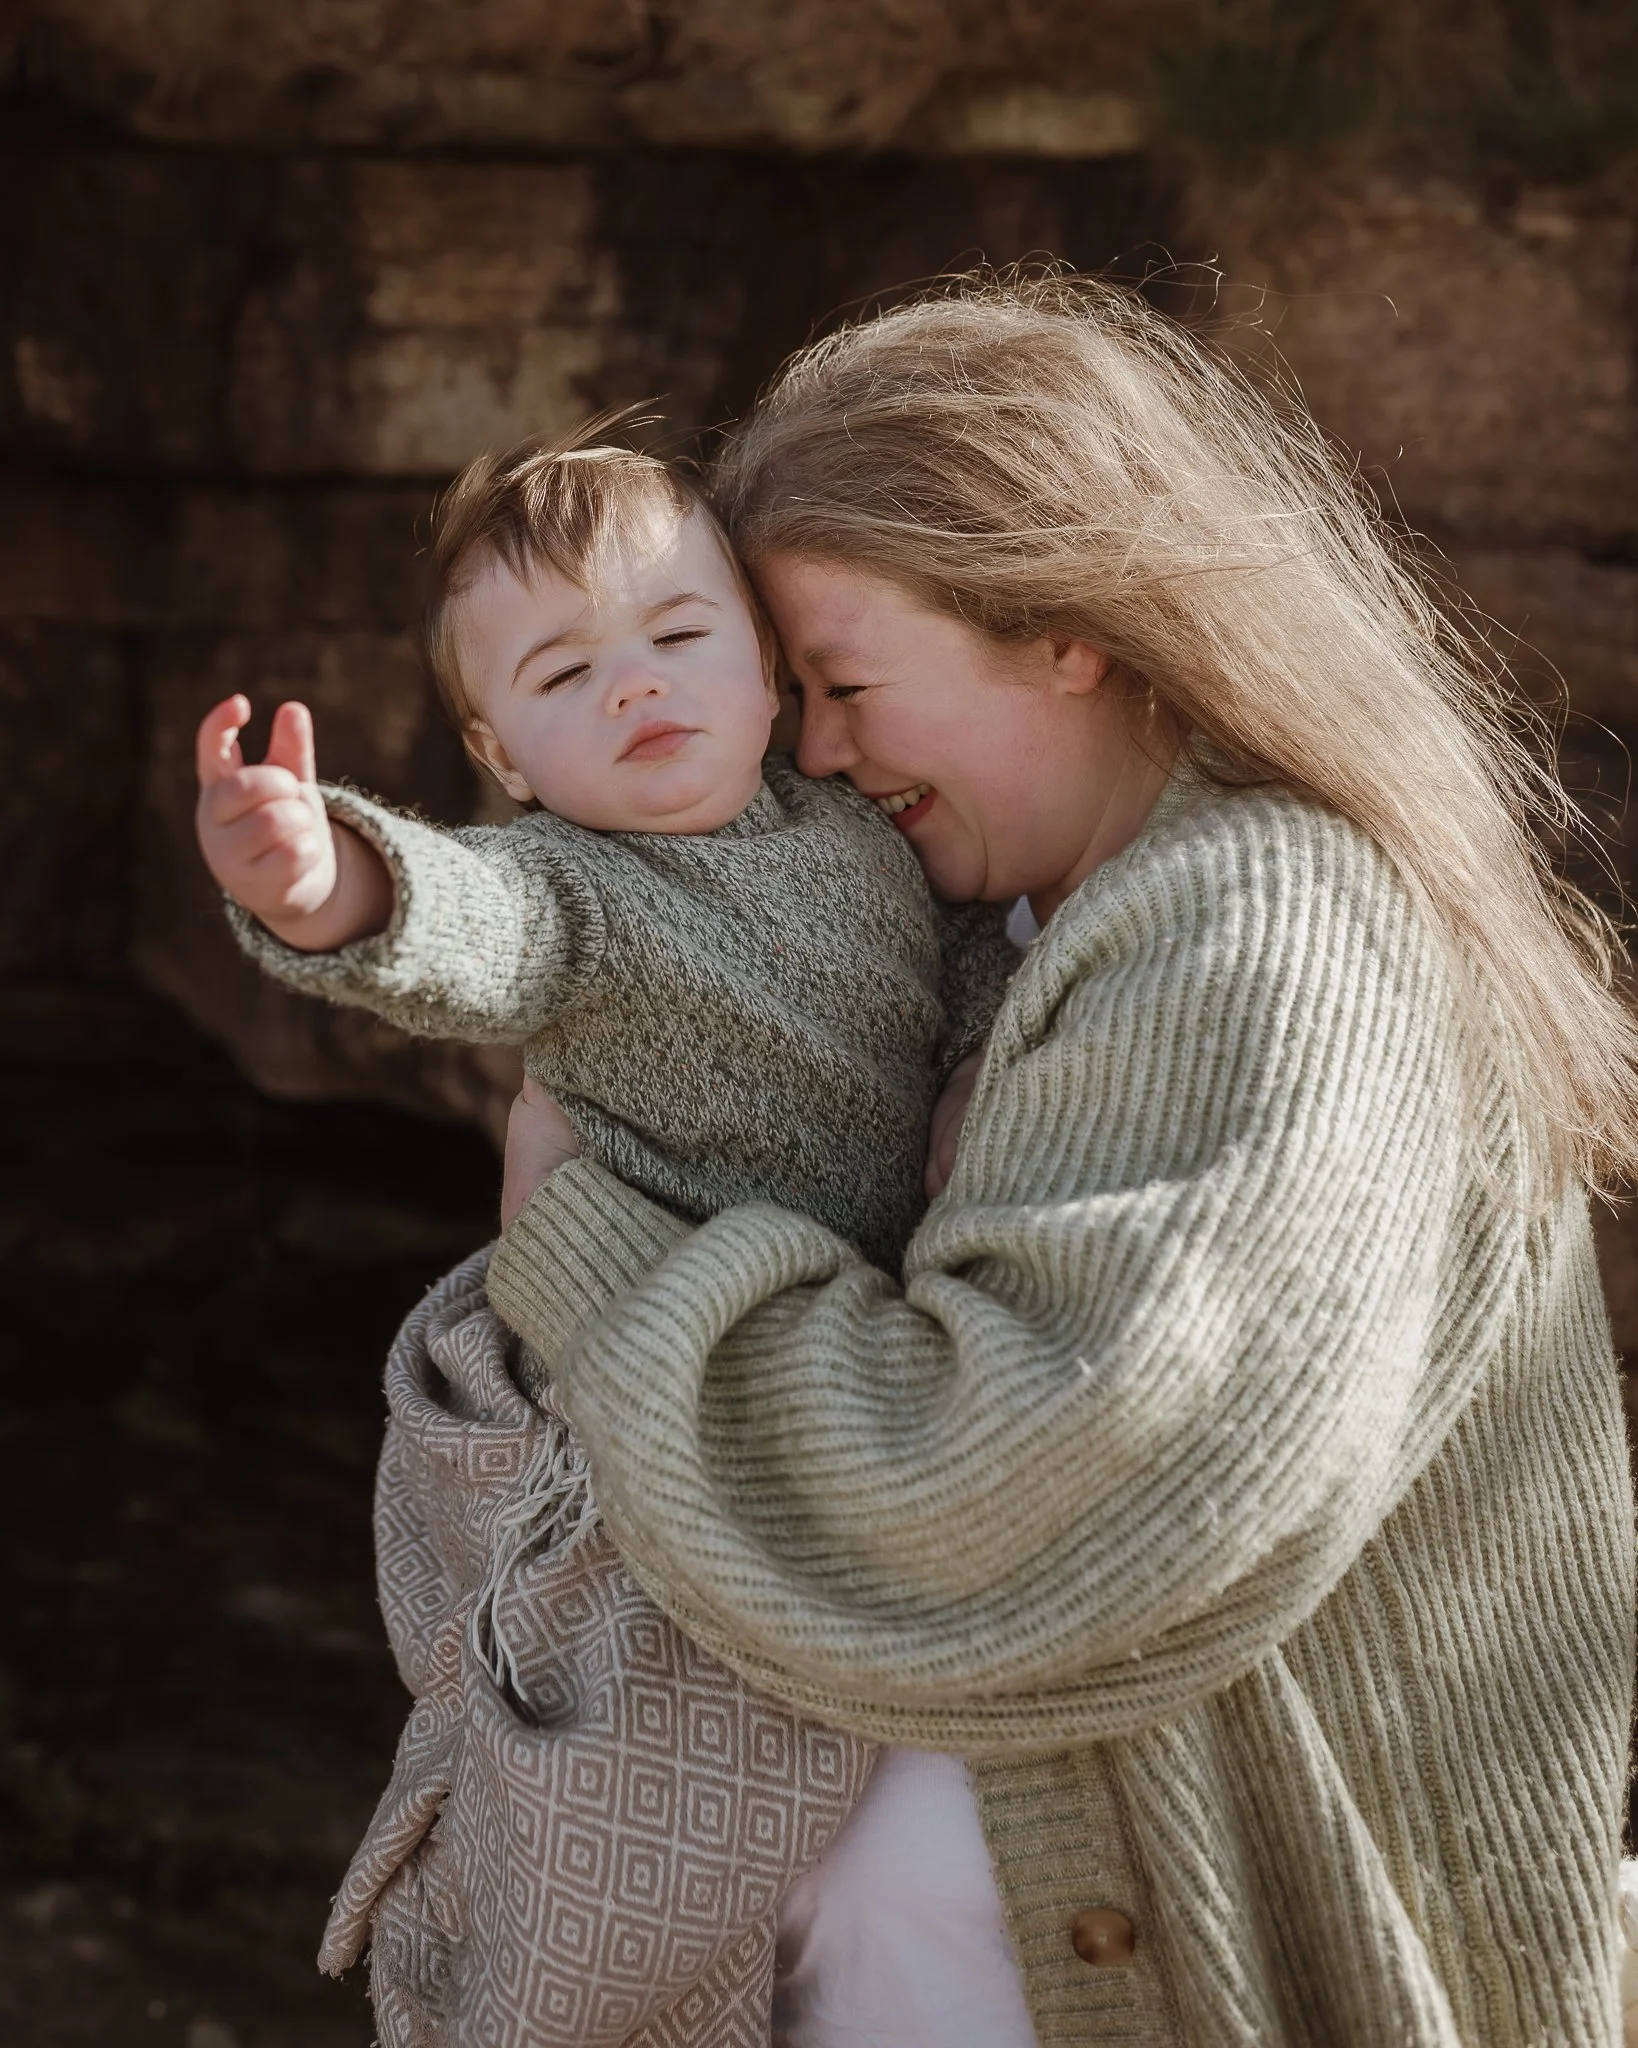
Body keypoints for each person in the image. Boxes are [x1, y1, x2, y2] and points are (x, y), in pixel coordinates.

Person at [487, 274, 1638, 2048]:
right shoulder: (1043, 931)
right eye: (789, 690)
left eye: (847, 680)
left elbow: (999, 1487)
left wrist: (585, 1246)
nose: (813, 750)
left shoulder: (1263, 932)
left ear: (1065, 628)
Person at [190, 431, 1018, 2044]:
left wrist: (987, 1064)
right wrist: (320, 881)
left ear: (772, 675)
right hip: (660, 1399)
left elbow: (980, 959)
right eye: (567, 673)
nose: (636, 688)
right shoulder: (575, 891)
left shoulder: (861, 836)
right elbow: (459, 921)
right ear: (503, 754)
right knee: (644, 1822)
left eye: (678, 638)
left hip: (848, 1376)